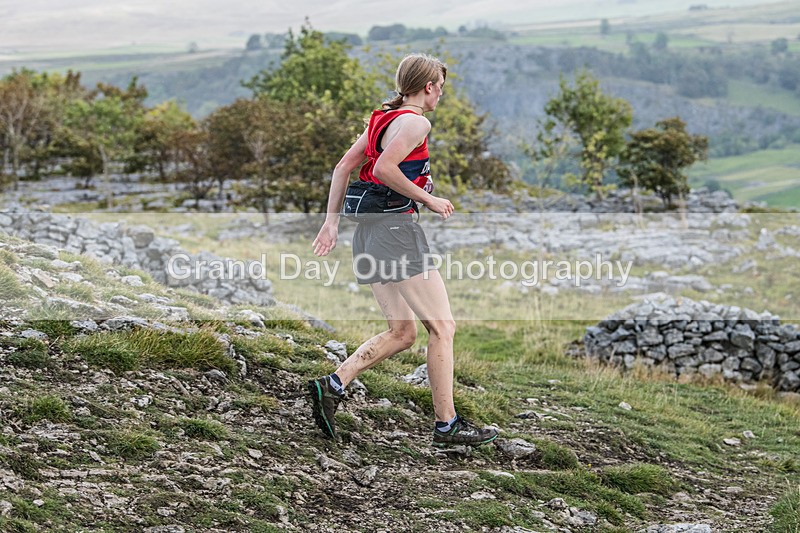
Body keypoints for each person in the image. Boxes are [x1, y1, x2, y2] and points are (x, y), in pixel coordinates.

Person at [308, 53, 498, 448]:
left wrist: (331, 221)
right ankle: (448, 426)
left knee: (403, 332)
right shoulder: (415, 121)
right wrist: (427, 200)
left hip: (369, 233)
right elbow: (383, 171)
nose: (441, 95)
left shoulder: (381, 119)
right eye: (441, 88)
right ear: (428, 87)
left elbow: (344, 167)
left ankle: (332, 384)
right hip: (395, 231)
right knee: (443, 327)